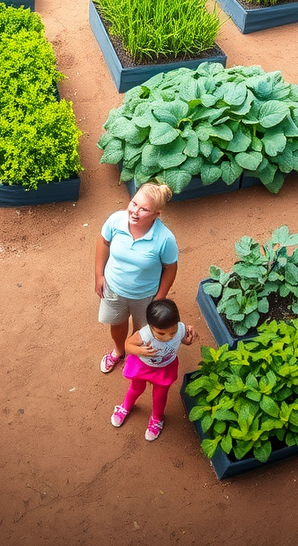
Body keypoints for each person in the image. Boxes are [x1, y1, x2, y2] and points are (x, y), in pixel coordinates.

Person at [94, 183, 178, 374]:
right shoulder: (116, 221)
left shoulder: (165, 239)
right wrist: (99, 275)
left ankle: (132, 354)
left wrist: (159, 299)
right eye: (133, 203)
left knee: (142, 331)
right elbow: (103, 242)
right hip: (114, 287)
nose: (134, 211)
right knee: (116, 323)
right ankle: (119, 351)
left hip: (146, 296)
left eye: (144, 209)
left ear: (156, 214)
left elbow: (170, 268)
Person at [111, 298, 196, 441]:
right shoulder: (145, 334)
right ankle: (125, 407)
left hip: (165, 368)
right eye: (161, 334)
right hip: (143, 367)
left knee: (160, 395)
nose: (168, 336)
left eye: (173, 331)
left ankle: (157, 418)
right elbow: (127, 345)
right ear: (150, 326)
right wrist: (140, 351)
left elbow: (184, 340)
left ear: (177, 323)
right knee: (136, 388)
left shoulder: (180, 328)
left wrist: (189, 339)